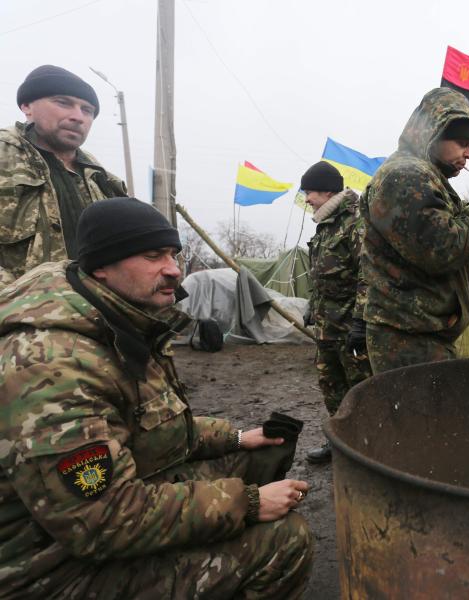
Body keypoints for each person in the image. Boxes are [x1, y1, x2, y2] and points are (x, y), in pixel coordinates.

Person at [0, 197, 313, 598]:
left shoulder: (117, 319)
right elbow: (101, 520)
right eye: (153, 256)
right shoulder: (52, 366)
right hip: (50, 568)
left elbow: (150, 425)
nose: (173, 270)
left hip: (91, 525)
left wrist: (236, 437)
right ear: (102, 267)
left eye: (172, 254)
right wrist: (248, 504)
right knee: (285, 540)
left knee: (259, 454)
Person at [360, 87, 469, 374]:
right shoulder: (405, 176)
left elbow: (435, 227)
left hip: (420, 332)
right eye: (463, 143)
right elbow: (441, 248)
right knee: (424, 418)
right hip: (408, 337)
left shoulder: (424, 175)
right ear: (434, 133)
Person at [0, 65, 127, 287]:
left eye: (87, 110)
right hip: (15, 316)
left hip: (97, 314)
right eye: (63, 102)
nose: (78, 116)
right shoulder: (4, 158)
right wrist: (19, 302)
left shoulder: (103, 179)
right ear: (27, 106)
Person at [301, 161, 371, 464]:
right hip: (326, 326)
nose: (306, 199)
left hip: (349, 327)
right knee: (330, 385)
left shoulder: (355, 222)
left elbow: (368, 274)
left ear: (327, 190)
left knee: (359, 388)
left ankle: (368, 447)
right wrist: (310, 307)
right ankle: (340, 442)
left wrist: (360, 321)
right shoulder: (326, 225)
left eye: (309, 192)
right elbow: (320, 275)